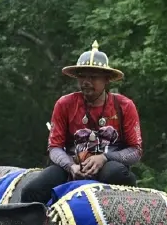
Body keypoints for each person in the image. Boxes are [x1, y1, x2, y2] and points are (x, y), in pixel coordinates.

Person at [17, 41, 144, 205]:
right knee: (31, 191)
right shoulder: (65, 104)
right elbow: (54, 147)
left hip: (109, 168)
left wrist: (104, 158)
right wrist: (71, 166)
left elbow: (136, 151)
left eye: (93, 77)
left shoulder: (124, 105)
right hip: (72, 165)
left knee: (116, 174)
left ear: (107, 80)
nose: (86, 81)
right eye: (82, 76)